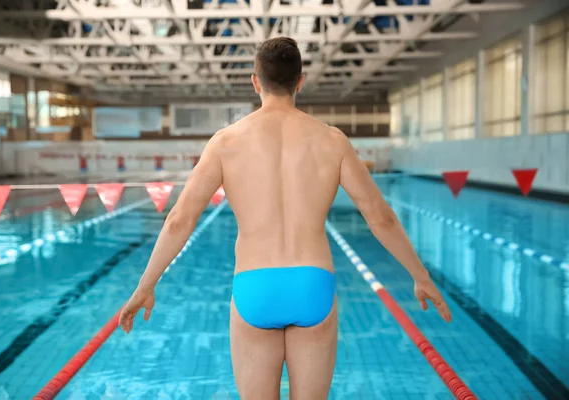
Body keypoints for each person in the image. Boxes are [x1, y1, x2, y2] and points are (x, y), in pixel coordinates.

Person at [119, 36, 452, 400]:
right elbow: (380, 218)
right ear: (300, 82)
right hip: (313, 284)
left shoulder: (225, 142)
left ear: (255, 81)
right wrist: (420, 277)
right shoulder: (332, 141)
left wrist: (145, 286)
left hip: (254, 287)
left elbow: (179, 219)